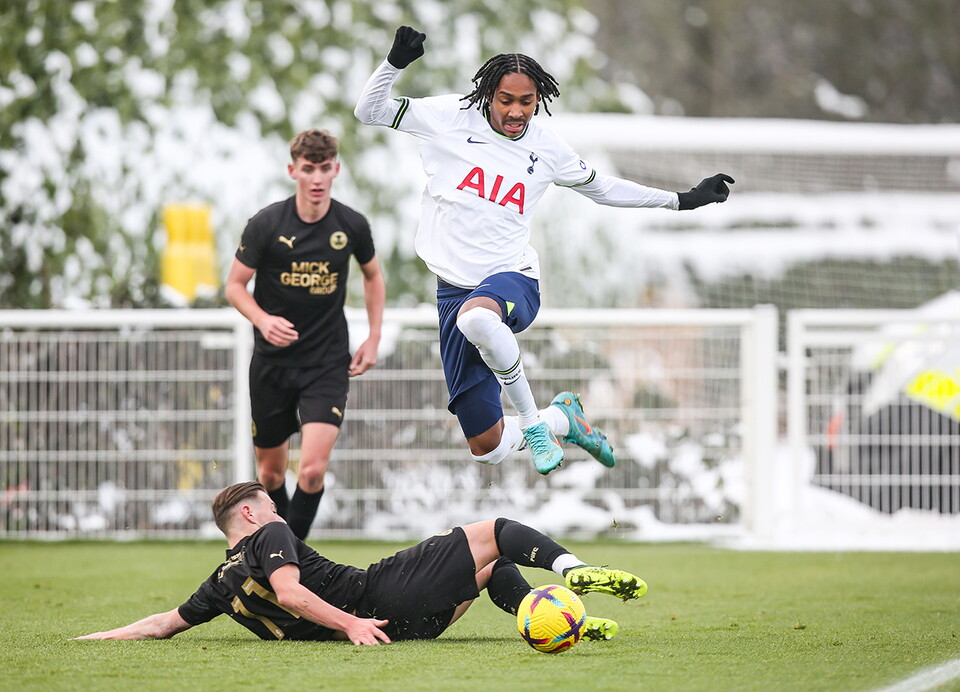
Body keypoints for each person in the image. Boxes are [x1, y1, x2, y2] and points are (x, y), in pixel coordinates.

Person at [354, 27, 734, 476]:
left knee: (477, 317)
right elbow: (369, 110)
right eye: (506, 100)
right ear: (486, 96)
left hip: (512, 281)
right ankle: (563, 418)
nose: (516, 111)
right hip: (452, 292)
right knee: (487, 445)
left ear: (539, 100)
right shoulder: (448, 117)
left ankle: (534, 425)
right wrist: (394, 63)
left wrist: (681, 198)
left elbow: (603, 189)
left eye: (527, 101)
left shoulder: (547, 148)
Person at [75, 481, 647, 644]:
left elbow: (160, 625)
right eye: (270, 507)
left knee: (491, 569)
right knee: (495, 533)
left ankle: (554, 617)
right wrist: (351, 622)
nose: (278, 515)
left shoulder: (218, 586)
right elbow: (293, 593)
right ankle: (571, 571)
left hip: (406, 630)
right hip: (377, 602)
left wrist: (96, 637)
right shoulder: (269, 533)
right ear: (249, 517)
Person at [224, 130, 385, 540]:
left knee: (311, 471)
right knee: (271, 472)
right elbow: (235, 286)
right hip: (272, 365)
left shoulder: (350, 225)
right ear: (293, 170)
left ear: (336, 170)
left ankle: (289, 560)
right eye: (308, 169)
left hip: (326, 363)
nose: (317, 178)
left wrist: (373, 337)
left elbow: (373, 276)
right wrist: (262, 320)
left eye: (324, 168)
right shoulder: (266, 224)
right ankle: (285, 555)